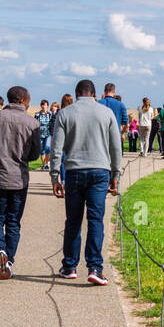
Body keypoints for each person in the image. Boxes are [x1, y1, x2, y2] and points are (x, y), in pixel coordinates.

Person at [50, 79, 123, 285]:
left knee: (72, 220)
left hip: (74, 171)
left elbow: (57, 148)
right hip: (100, 171)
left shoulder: (65, 114)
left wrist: (55, 176)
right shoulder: (106, 113)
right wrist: (115, 174)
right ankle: (95, 268)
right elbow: (116, 147)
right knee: (95, 220)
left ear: (77, 92)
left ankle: (70, 266)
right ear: (94, 93)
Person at [0, 85, 41, 280]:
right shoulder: (32, 123)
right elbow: (34, 153)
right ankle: (9, 260)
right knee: (14, 221)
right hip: (19, 178)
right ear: (23, 100)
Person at [36, 100, 53, 174]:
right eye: (42, 105)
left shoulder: (50, 114)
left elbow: (52, 122)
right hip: (40, 134)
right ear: (41, 106)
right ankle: (44, 164)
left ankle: (47, 163)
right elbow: (35, 123)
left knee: (47, 147)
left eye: (45, 105)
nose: (44, 106)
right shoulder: (37, 114)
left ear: (47, 106)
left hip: (48, 133)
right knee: (41, 149)